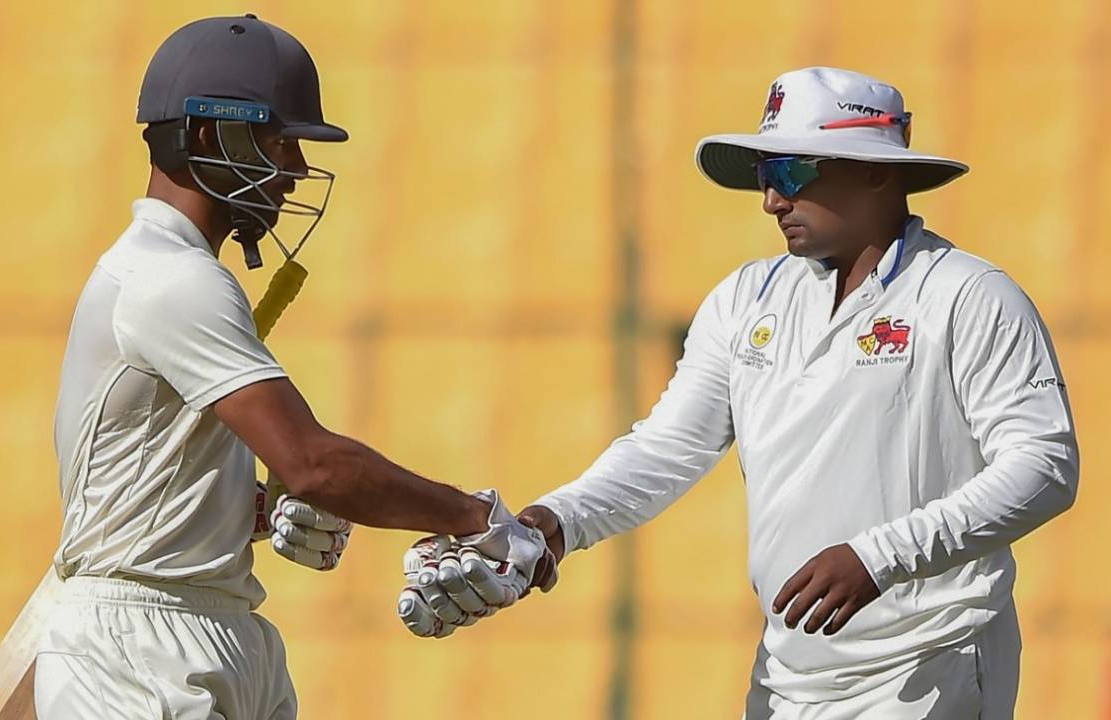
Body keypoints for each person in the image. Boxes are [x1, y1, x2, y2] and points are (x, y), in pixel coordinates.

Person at [417, 67, 1079, 719]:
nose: (771, 200)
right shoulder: (745, 297)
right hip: (788, 673)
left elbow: (1044, 464)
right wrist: (556, 521)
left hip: (931, 664)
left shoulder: (968, 294)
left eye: (791, 172)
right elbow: (668, 446)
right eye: (765, 177)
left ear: (877, 171)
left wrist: (879, 557)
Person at [34, 15, 548, 719]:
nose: (296, 172)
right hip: (138, 649)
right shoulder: (170, 279)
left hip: (202, 627)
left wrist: (256, 510)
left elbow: (165, 478)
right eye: (281, 143)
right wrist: (471, 517)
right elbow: (314, 463)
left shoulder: (176, 275)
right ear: (213, 134)